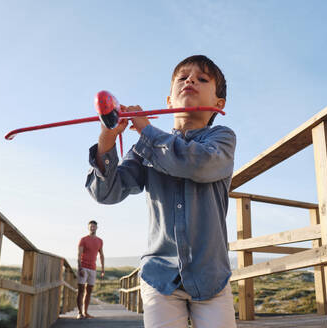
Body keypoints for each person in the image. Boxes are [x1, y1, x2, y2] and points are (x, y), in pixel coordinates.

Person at [86, 55, 236, 328]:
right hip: (160, 277)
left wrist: (146, 130)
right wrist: (107, 138)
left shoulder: (222, 139)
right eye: (182, 78)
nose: (190, 80)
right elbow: (106, 193)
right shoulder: (144, 148)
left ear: (218, 104)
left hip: (211, 277)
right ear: (169, 101)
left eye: (202, 79)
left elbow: (198, 163)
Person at [76, 220, 105, 319]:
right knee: (81, 290)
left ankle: (85, 312)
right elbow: (79, 255)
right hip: (83, 267)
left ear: (97, 228)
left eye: (94, 226)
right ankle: (80, 313)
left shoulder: (100, 241)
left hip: (93, 268)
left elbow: (101, 255)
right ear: (88, 228)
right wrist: (80, 268)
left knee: (89, 291)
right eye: (91, 226)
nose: (92, 228)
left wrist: (102, 269)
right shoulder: (83, 239)